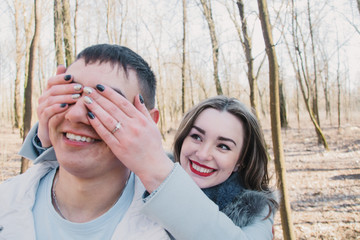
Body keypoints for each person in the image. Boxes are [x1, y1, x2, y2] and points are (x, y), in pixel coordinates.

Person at [1, 44, 276, 240]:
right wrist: (50, 135)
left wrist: (155, 168)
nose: (203, 154)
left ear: (147, 122)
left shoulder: (241, 213)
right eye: (71, 96)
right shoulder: (10, 200)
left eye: (107, 103)